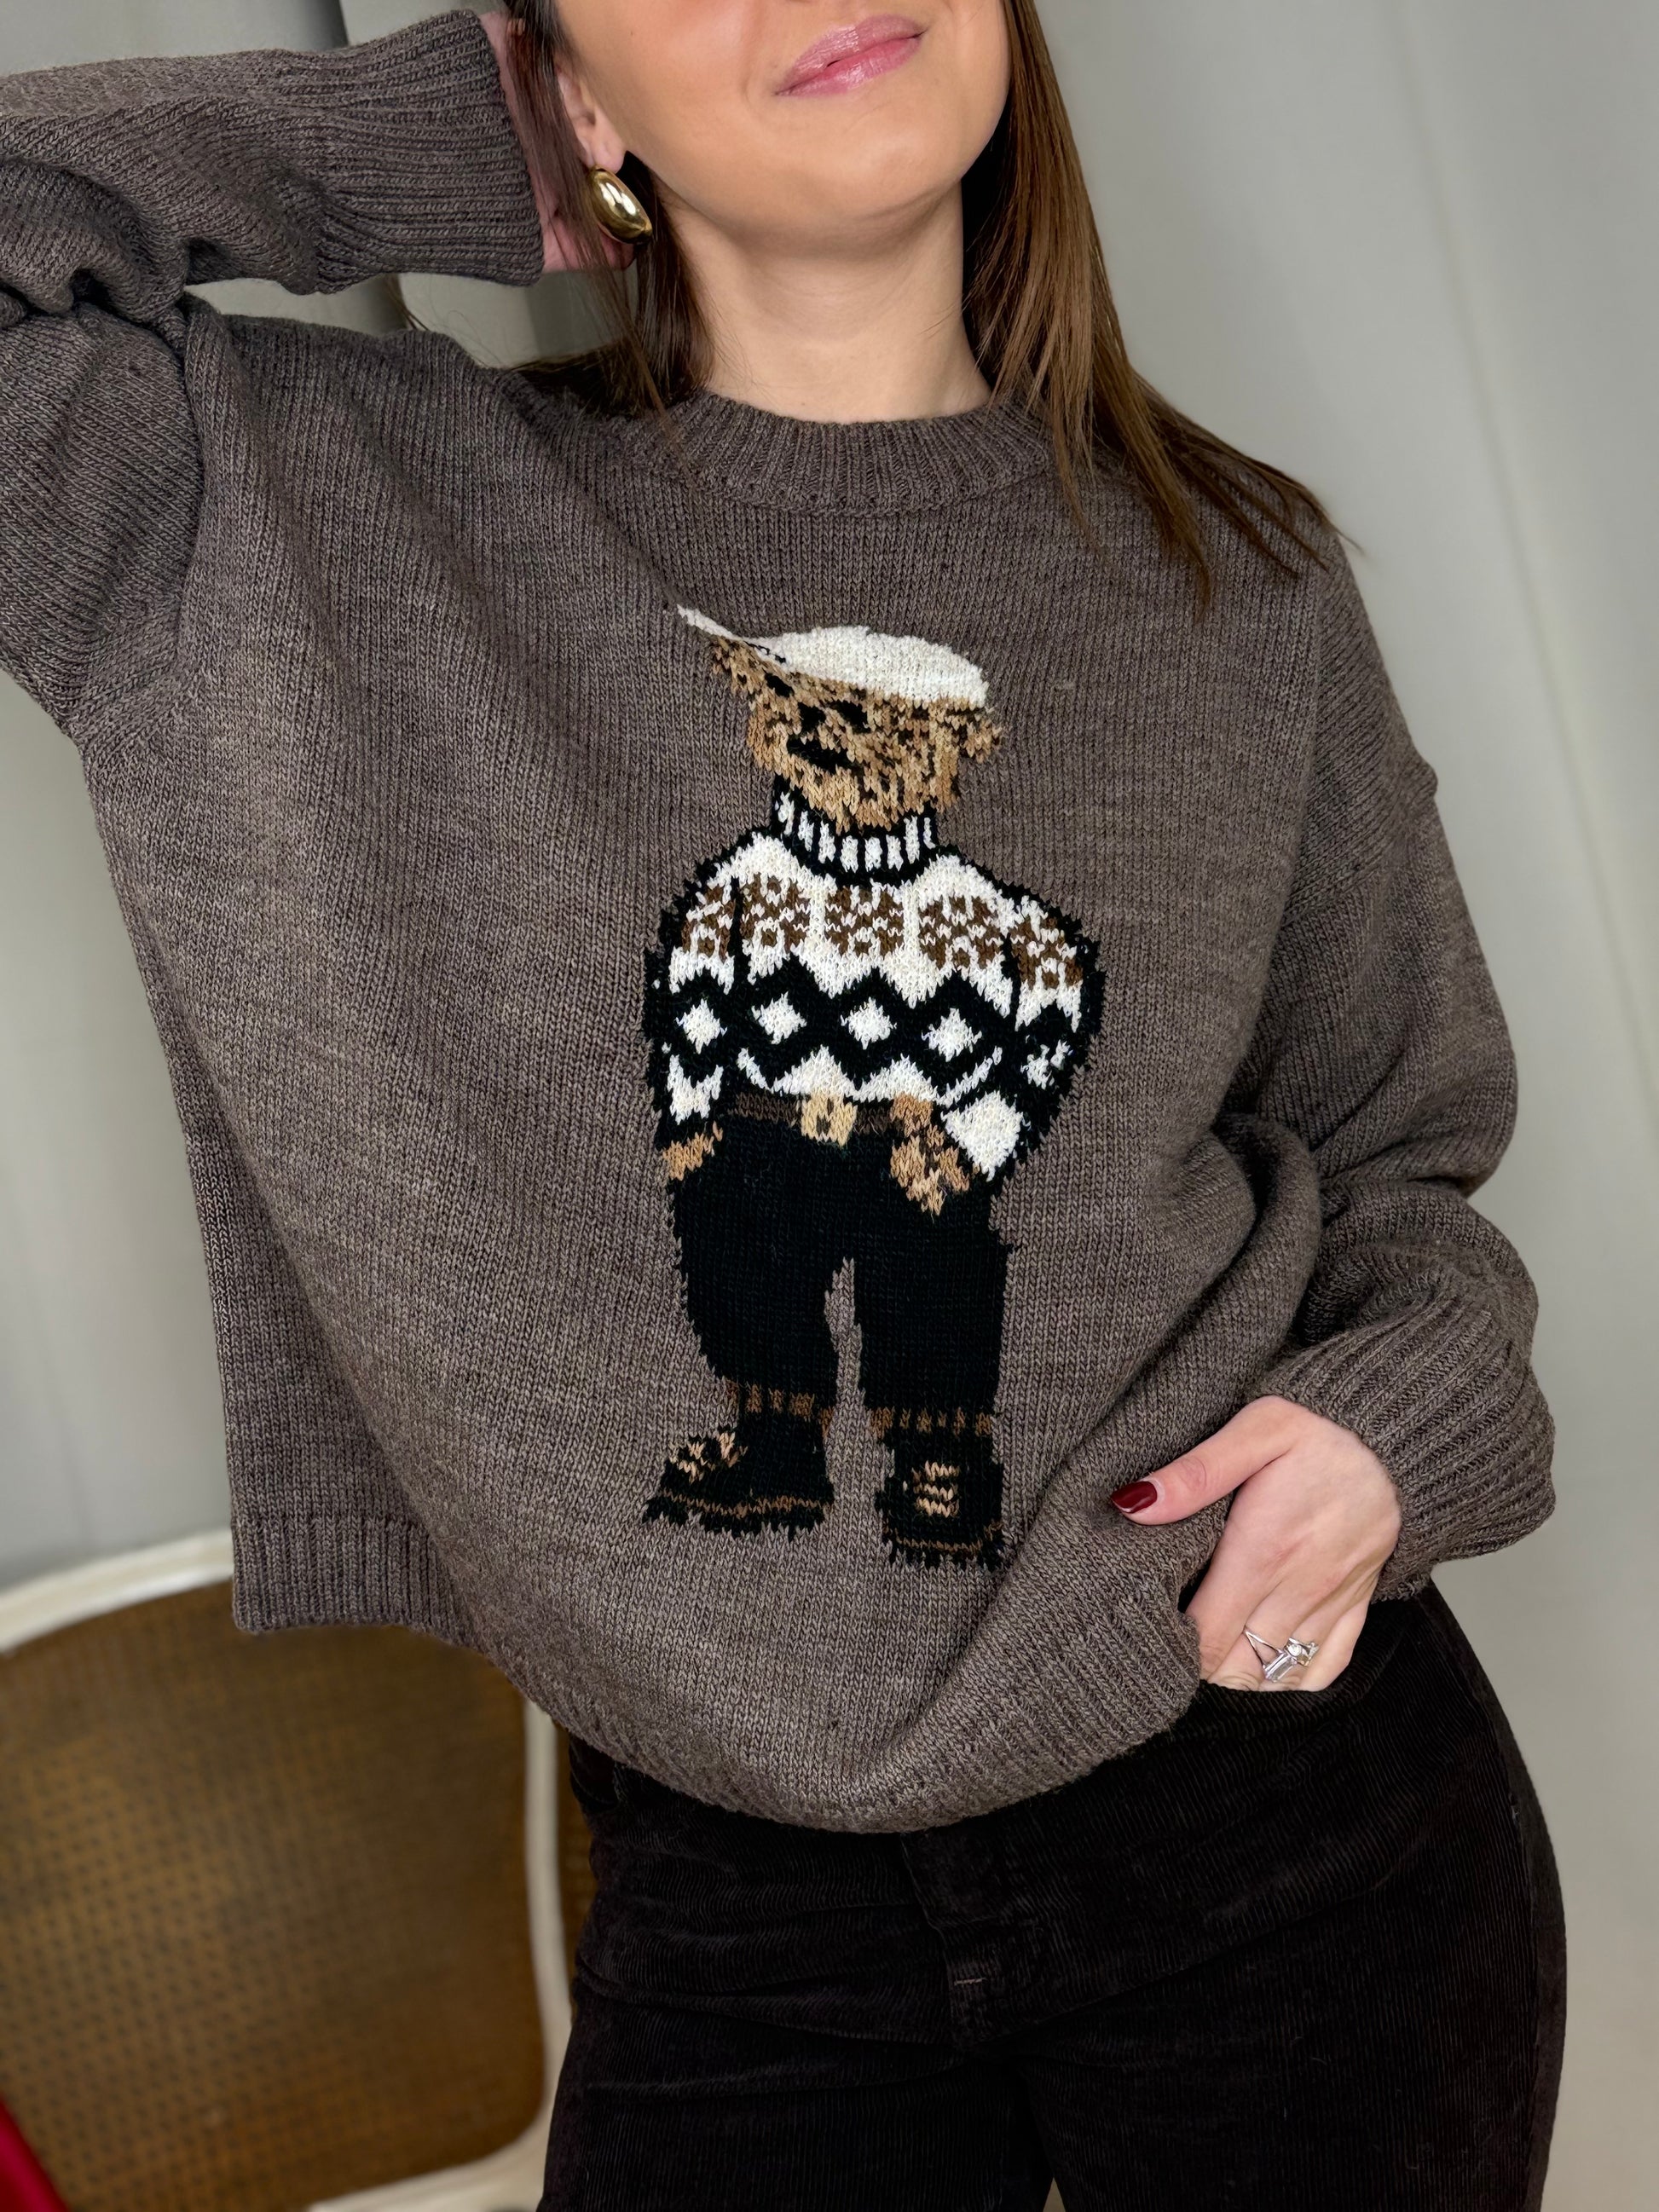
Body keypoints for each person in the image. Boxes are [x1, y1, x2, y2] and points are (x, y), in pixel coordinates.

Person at [0, 3, 1564, 2205]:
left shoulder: (1237, 569)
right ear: (562, 78)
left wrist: (1399, 1417)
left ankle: (918, 1432)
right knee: (759, 1251)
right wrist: (450, 134)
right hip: (729, 1881)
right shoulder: (266, 509)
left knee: (919, 1272)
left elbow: (1395, 1140)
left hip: (1277, 1785)